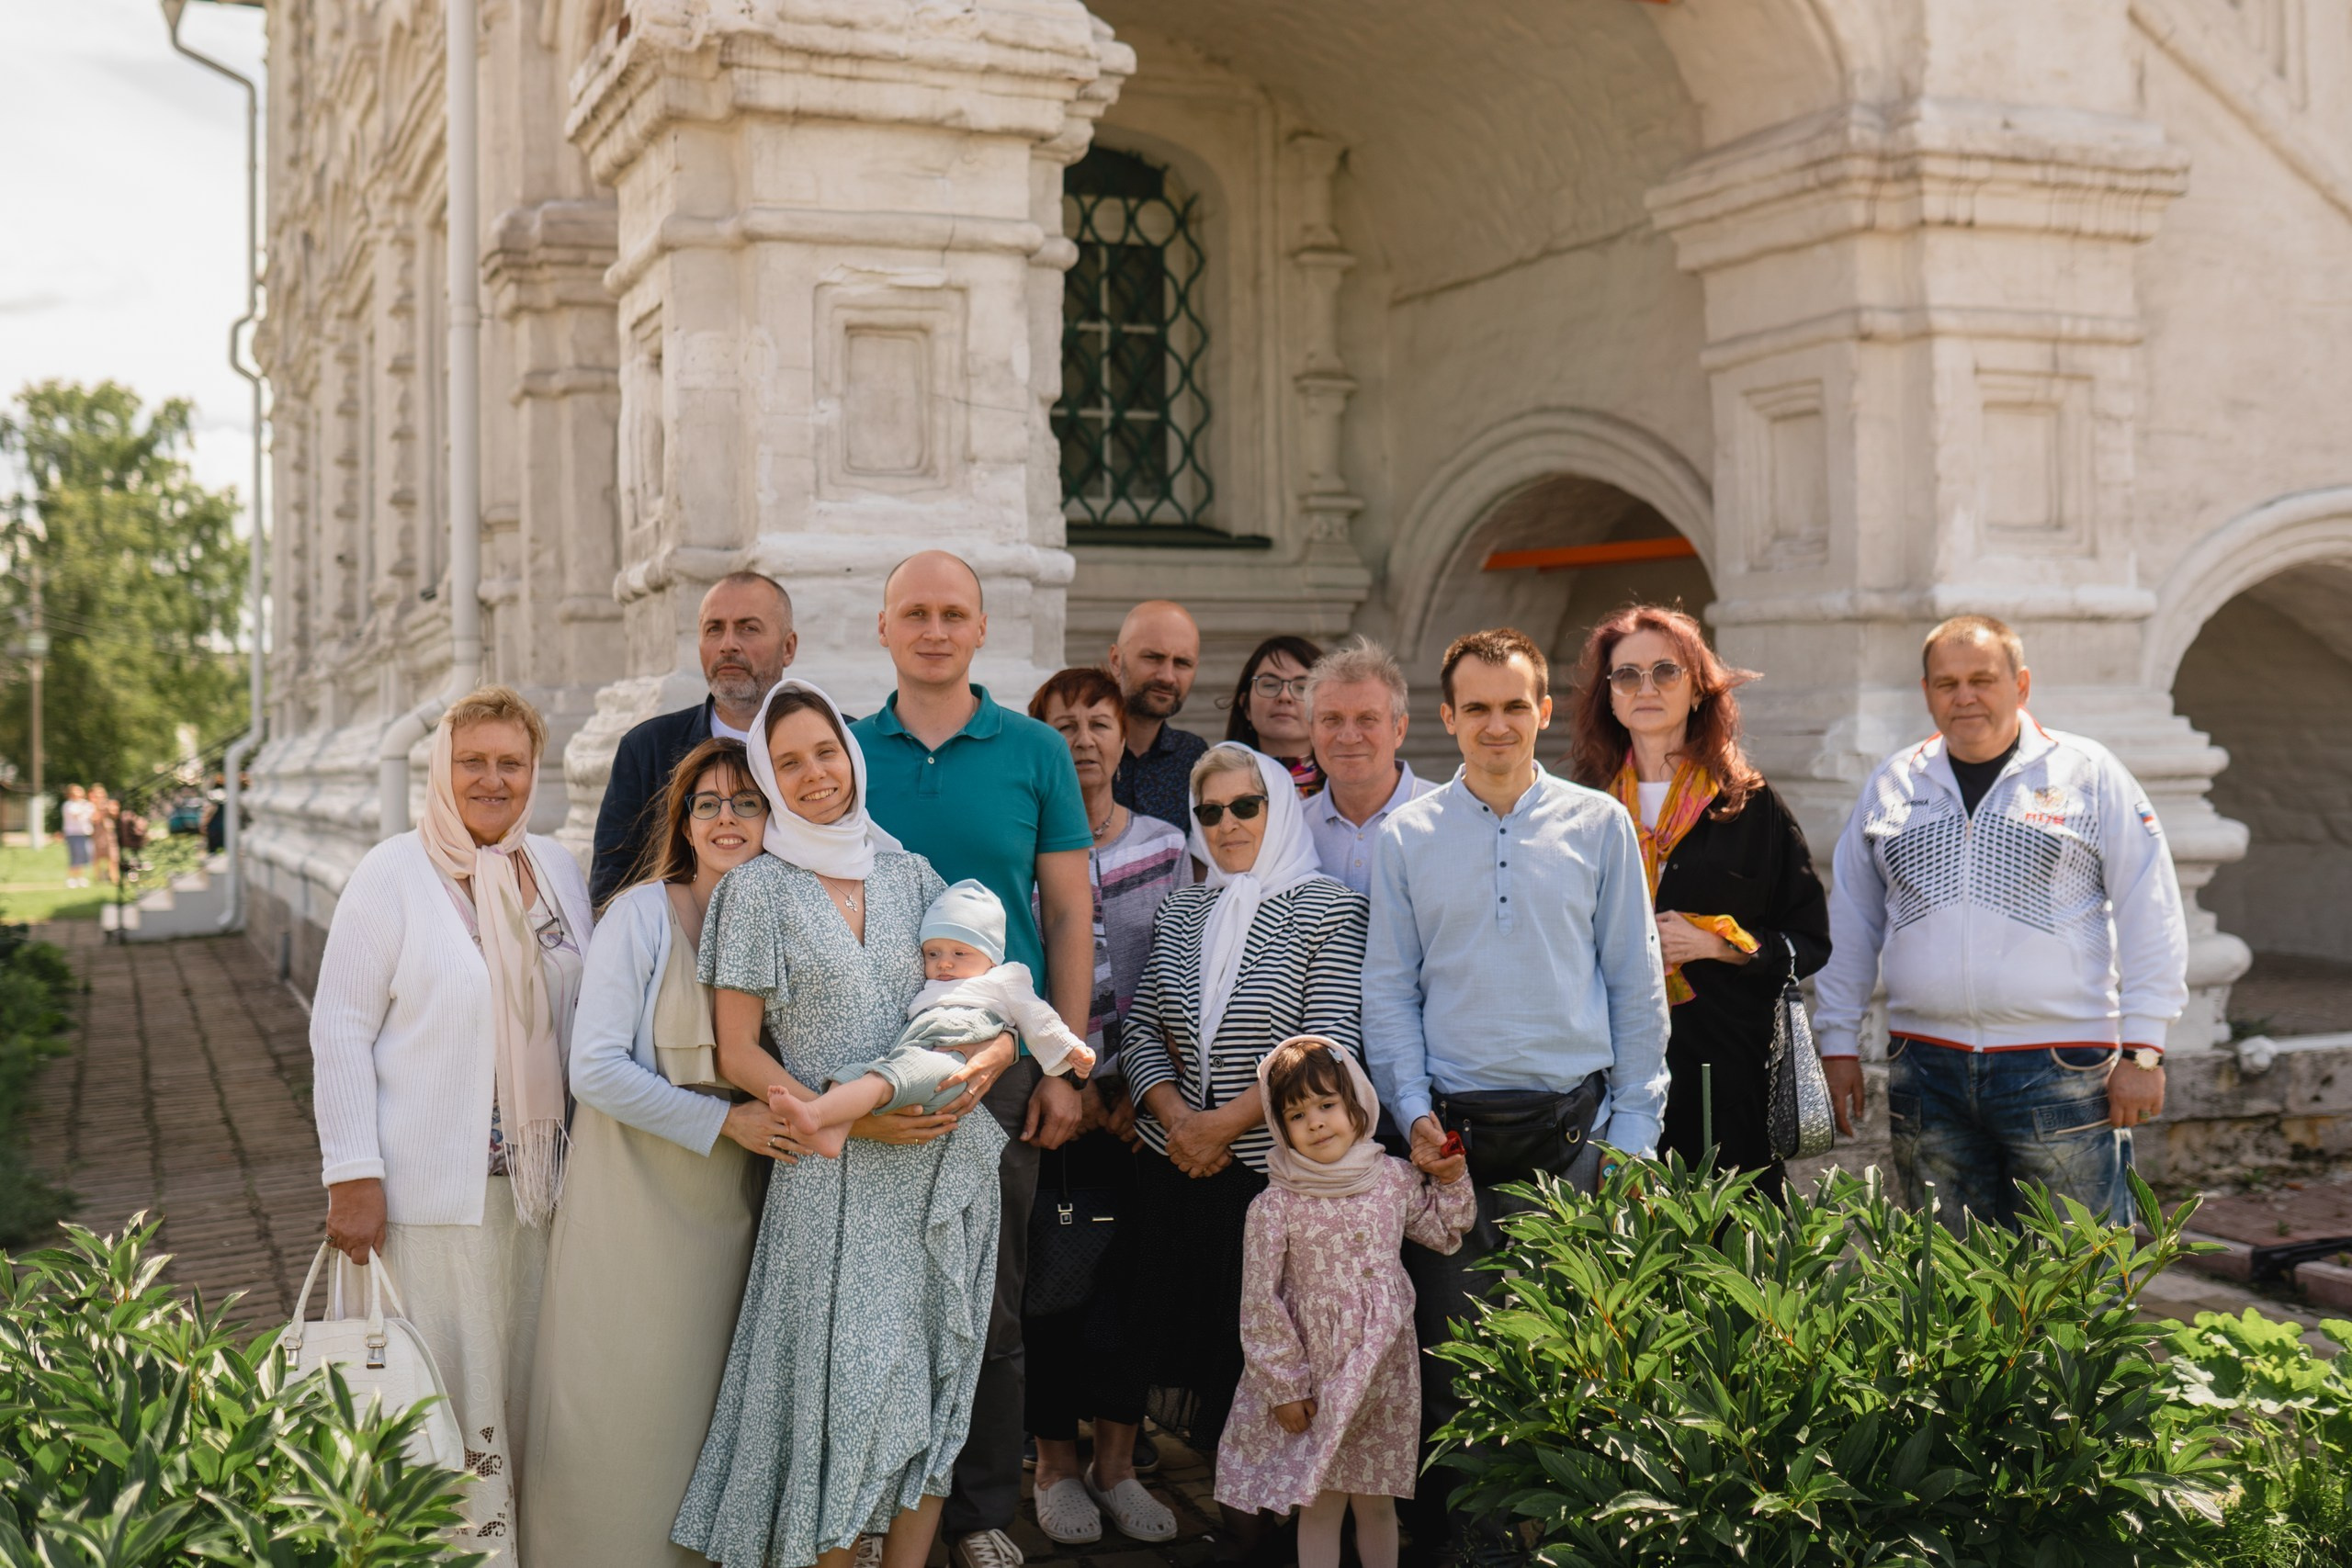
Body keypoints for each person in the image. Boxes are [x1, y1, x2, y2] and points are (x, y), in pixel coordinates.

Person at [673, 680, 1014, 1568]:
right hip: (828, 1172)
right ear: (768, 776)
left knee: (938, 1379)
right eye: (787, 761)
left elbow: (980, 997)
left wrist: (995, 1061)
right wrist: (849, 1122)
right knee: (839, 1398)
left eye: (824, 751)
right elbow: (736, 1051)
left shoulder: (914, 874)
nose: (813, 773)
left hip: (941, 1165)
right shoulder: (757, 891)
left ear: (851, 756)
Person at [1360, 626, 1669, 1564]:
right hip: (1447, 1142)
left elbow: (1635, 982)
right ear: (1448, 717)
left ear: (1544, 711)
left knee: (1575, 1364)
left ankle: (1571, 1546)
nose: (1497, 726)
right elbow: (1389, 987)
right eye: (1477, 708)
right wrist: (1408, 1110)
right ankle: (1474, 1547)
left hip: (1579, 1139)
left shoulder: (1599, 825)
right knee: (1456, 1366)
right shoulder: (1407, 835)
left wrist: (1634, 1136)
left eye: (1515, 706)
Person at [849, 551, 1094, 1568]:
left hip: (1003, 1062)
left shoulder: (1034, 749)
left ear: (982, 629)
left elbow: (1069, 911)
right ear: (885, 629)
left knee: (986, 1296)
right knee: (872, 1290)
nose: (935, 629)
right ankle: (867, 1501)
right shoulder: (851, 752)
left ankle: (980, 1508)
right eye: (916, 612)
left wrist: (1072, 1070)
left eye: (954, 613)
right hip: (872, 1058)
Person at [311, 686, 594, 1563]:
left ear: (533, 772)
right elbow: (340, 1027)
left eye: (511, 762)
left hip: (541, 1198)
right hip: (429, 1201)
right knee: (437, 1402)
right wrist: (352, 1171)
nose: (492, 778)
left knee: (519, 1395)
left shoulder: (552, 869)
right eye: (473, 760)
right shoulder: (391, 873)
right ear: (442, 766)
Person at [525, 737, 813, 1568]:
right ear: (684, 821)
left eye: (745, 802)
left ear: (774, 817)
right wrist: (726, 1124)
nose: (726, 819)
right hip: (633, 1207)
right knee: (623, 1404)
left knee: (708, 1412)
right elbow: (596, 1067)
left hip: (737, 1209)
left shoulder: (790, 912)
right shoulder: (641, 914)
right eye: (708, 804)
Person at [1813, 615, 2187, 1228]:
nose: (1965, 696)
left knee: (2077, 1278)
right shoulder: (1893, 784)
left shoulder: (2087, 774)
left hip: (2062, 1070)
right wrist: (1836, 1042)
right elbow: (1851, 919)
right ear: (1927, 690)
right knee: (1951, 1279)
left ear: (2021, 684)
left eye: (1982, 679)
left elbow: (2153, 907)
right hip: (1924, 1068)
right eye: (1946, 682)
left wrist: (2145, 1050)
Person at [1123, 743, 1369, 1559]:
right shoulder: (1181, 909)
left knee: (1276, 1367)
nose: (1226, 824)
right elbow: (1142, 1028)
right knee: (1210, 1362)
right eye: (1209, 811)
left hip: (1275, 1178)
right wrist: (1176, 1118)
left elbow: (1326, 1047)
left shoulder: (1330, 908)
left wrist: (1221, 1125)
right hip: (1178, 1169)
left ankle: (1284, 1540)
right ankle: (1238, 1532)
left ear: (1278, 808)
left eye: (1244, 806)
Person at [1564, 606, 1833, 1201]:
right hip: (1608, 1075)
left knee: (1731, 1254)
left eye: (1666, 670)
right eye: (1627, 675)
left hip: (1726, 1077)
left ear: (1698, 688)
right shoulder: (1577, 808)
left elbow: (1810, 941)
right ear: (1608, 697)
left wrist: (1719, 945)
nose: (1647, 687)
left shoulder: (1750, 805)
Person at [1024, 667, 1187, 1548]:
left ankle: (1116, 1464)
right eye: (1064, 723)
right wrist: (1070, 1081)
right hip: (1053, 1108)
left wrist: (1137, 1089)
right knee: (1053, 1285)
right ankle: (1053, 1464)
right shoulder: (1024, 843)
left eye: (1099, 721)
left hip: (1143, 1110)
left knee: (1135, 1286)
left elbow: (1179, 969)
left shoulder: (1165, 844)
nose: (1083, 738)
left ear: (1125, 737)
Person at [1214, 1037, 1472, 1568]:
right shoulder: (1274, 1205)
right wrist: (1285, 1386)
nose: (1315, 1122)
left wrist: (1451, 1178)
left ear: (1357, 1103)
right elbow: (1260, 1303)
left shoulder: (1394, 1179)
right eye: (1296, 1113)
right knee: (1322, 1501)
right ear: (1278, 1125)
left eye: (1327, 1104)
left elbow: (1445, 1233)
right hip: (1320, 1372)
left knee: (1377, 1500)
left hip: (1387, 1371)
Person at [769, 880, 1095, 1157]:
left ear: (991, 958)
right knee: (850, 1076)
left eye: (959, 953)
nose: (945, 964)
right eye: (933, 953)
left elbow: (1037, 1015)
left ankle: (814, 1114)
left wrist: (1070, 1050)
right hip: (915, 1054)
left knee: (878, 1081)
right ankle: (834, 1131)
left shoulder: (1005, 978)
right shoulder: (930, 986)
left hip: (951, 1059)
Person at [590, 571, 798, 905]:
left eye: (748, 628)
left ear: (788, 648)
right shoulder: (647, 750)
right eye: (714, 629)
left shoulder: (839, 746)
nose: (728, 644)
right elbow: (613, 887)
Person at [1304, 639, 1433, 897]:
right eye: (1332, 720)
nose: (1349, 736)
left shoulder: (1449, 817)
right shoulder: (1292, 828)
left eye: (1367, 719)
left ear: (1399, 730)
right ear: (1311, 732)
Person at [1105, 600, 1208, 835]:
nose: (1168, 677)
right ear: (1115, 660)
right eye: (1153, 657)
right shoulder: (1076, 748)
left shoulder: (1194, 756)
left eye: (1182, 663)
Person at [1225, 636, 1325, 796]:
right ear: (1245, 706)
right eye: (1270, 685)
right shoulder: (1218, 783)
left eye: (1302, 687)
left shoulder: (1345, 789)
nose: (1285, 696)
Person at [59, 784, 93, 888]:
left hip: (83, 834)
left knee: (82, 856)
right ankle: (71, 878)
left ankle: (80, 877)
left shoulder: (86, 804)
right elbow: (75, 814)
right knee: (74, 856)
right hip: (73, 834)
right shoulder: (68, 805)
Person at [88, 784, 118, 886]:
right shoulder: (90, 806)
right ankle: (98, 878)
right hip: (97, 833)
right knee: (97, 857)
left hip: (108, 833)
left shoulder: (110, 803)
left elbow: (115, 813)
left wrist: (108, 809)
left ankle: (113, 877)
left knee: (112, 857)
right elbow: (94, 819)